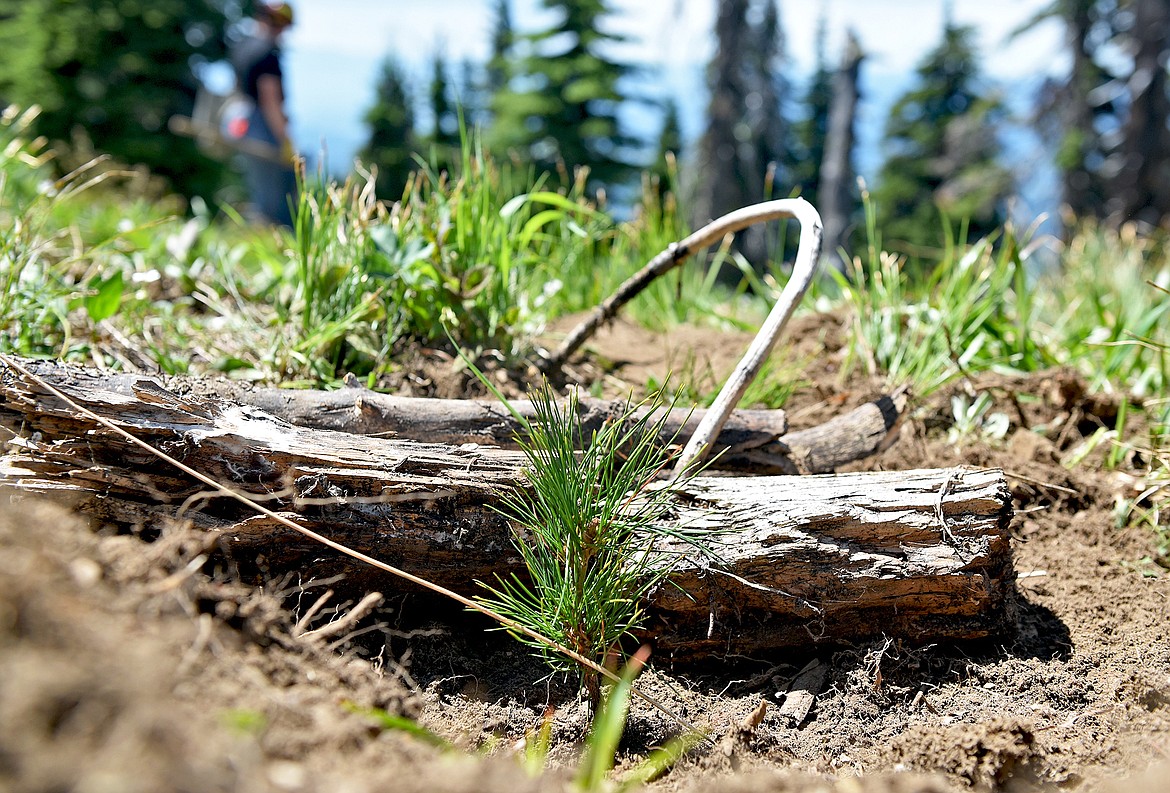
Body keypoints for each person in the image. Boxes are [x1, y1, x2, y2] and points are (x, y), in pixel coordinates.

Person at [229, 2, 297, 226]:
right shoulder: (268, 53)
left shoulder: (243, 45)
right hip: (262, 128)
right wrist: (285, 139)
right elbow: (270, 101)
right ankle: (275, 246)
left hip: (242, 122)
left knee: (258, 190)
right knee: (275, 199)